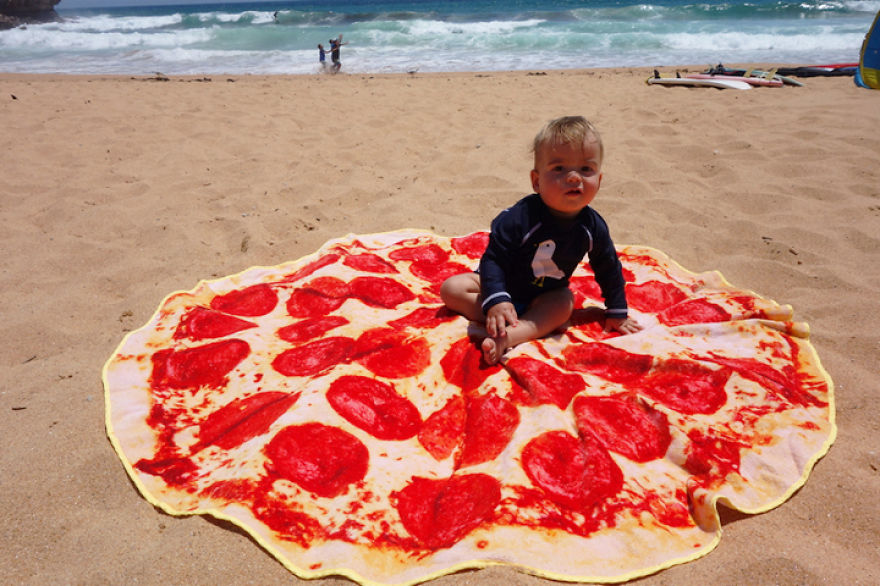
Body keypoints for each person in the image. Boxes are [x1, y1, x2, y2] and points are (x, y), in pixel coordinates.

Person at [440, 115, 642, 365]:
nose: (573, 177)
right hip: (500, 285)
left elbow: (608, 267)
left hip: (545, 295)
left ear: (599, 181)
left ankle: (508, 335)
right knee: (452, 289)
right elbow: (494, 260)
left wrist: (617, 311)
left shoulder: (593, 227)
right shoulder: (519, 218)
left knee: (564, 302)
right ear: (536, 181)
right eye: (559, 168)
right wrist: (497, 299)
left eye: (586, 169)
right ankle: (503, 317)